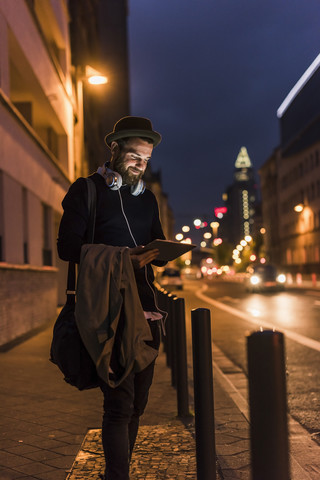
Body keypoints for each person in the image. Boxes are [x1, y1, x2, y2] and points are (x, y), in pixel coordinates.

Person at [57, 116, 166, 480]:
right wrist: (121, 256)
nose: (140, 165)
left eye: (146, 160)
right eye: (134, 157)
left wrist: (161, 253)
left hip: (147, 311)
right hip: (108, 310)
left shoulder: (147, 198)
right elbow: (66, 247)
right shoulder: (85, 190)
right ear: (115, 150)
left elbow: (156, 243)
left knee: (138, 406)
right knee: (119, 406)